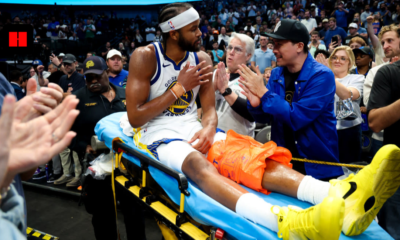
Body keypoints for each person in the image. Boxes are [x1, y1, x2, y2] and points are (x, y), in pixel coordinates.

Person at [124, 5, 400, 239]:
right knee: (199, 165)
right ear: (174, 32)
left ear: (299, 47)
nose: (202, 33)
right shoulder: (145, 57)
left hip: (300, 155)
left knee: (254, 155)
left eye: (279, 44)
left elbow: (212, 111)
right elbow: (135, 117)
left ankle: (339, 193)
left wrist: (210, 126)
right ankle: (280, 220)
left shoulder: (204, 58)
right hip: (158, 133)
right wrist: (180, 89)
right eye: (194, 29)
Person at [366, 24, 400, 239]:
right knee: (393, 228)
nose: (385, 45)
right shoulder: (386, 72)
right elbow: (375, 122)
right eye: (383, 41)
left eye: (390, 40)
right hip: (396, 163)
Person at [317, 46, 365, 164]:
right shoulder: (321, 78)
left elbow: (347, 95)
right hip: (324, 130)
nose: (337, 61)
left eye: (343, 58)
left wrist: (327, 74)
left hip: (348, 131)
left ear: (350, 63)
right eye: (335, 57)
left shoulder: (357, 78)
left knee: (349, 169)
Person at [214, 33, 256, 137]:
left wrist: (225, 91)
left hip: (240, 143)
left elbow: (252, 114)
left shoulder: (254, 79)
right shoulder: (216, 73)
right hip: (214, 139)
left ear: (248, 56)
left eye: (237, 49)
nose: (231, 52)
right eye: (230, 48)